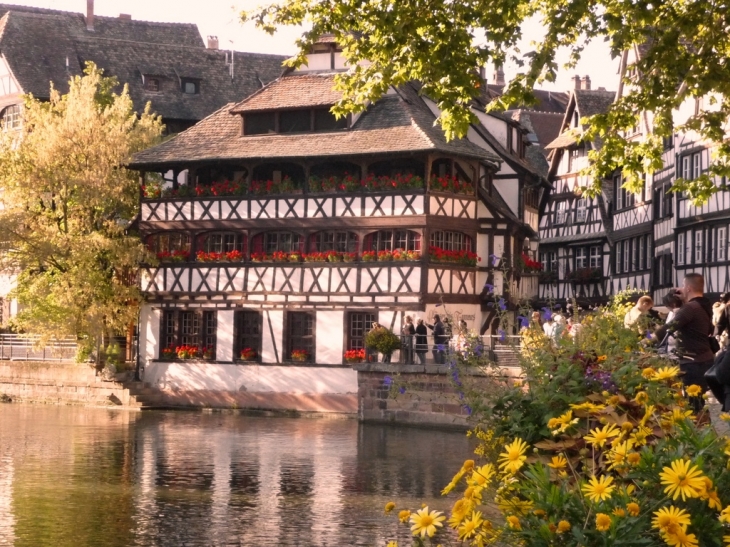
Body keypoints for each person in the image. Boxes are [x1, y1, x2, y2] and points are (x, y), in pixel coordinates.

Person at [653, 273, 714, 413]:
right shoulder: (704, 305)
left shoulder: (690, 308)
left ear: (688, 288)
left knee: (693, 405)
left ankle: (699, 432)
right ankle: (704, 429)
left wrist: (648, 339)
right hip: (705, 358)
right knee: (699, 402)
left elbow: (670, 327)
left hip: (693, 361)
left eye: (683, 285)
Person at [658, 293, 683, 359]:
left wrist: (648, 338)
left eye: (667, 306)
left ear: (673, 304)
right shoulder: (671, 313)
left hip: (677, 349)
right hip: (670, 347)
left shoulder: (680, 313)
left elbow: (670, 328)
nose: (667, 308)